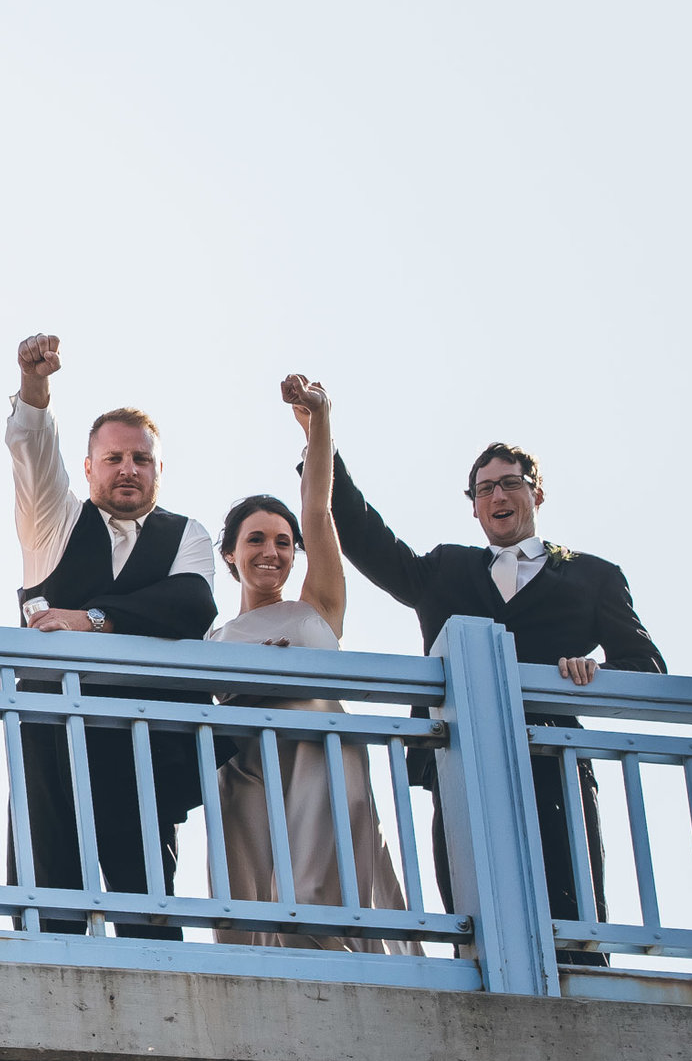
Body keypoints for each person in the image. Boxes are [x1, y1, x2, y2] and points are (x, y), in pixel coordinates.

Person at [324, 403, 664, 956]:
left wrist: (593, 672)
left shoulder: (590, 574)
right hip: (457, 761)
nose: (498, 497)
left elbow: (646, 666)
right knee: (474, 922)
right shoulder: (445, 570)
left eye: (511, 484)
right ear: (474, 507)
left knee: (573, 920)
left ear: (537, 493)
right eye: (483, 490)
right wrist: (319, 436)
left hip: (552, 760)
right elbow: (363, 534)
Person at [6, 333, 219, 938]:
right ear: (89, 466)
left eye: (141, 459)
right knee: (51, 889)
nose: (128, 470)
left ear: (157, 468)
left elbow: (191, 604)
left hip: (143, 733)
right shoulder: (54, 518)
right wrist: (35, 385)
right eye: (115, 458)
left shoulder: (187, 535)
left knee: (148, 894)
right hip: (51, 724)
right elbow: (30, 446)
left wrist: (88, 617)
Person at [205, 377, 417, 953]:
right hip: (249, 769)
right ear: (230, 554)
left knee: (321, 902)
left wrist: (318, 420)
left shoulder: (315, 606)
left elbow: (317, 510)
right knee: (251, 911)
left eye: (282, 542)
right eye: (255, 541)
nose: (270, 552)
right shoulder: (213, 637)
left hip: (321, 755)